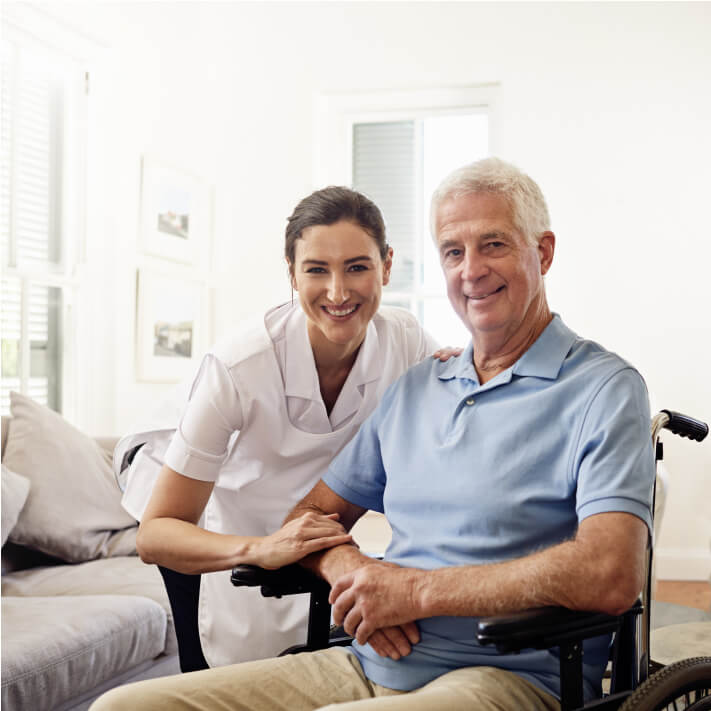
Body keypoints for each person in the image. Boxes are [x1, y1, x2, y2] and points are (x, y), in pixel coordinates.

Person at [92, 158, 654, 711]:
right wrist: (358, 574)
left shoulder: (604, 388)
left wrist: (411, 593)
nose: (471, 270)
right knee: (122, 707)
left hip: (501, 676)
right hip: (364, 659)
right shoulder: (417, 386)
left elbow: (610, 574)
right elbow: (308, 519)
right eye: (453, 252)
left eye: (495, 245)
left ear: (544, 252)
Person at [116, 186, 455, 672]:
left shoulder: (407, 340)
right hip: (187, 492)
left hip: (299, 495)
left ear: (387, 264)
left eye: (357, 267)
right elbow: (157, 534)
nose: (338, 292)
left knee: (304, 653)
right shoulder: (240, 366)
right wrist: (258, 547)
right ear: (292, 274)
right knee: (217, 670)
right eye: (316, 269)